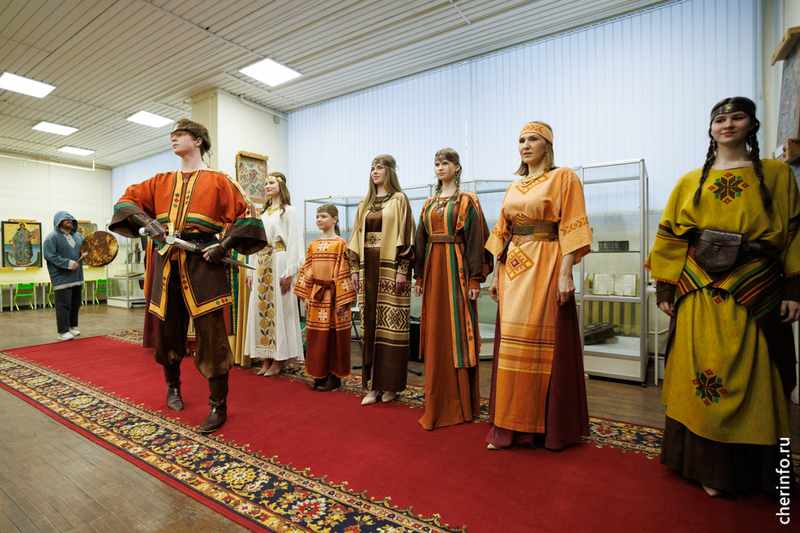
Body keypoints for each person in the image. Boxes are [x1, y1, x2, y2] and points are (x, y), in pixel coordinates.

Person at [645, 97, 799, 497]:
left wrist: (794, 288)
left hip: (756, 288)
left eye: (737, 117)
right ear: (711, 129)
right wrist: (665, 288)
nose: (727, 124)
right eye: (719, 119)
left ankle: (755, 473)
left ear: (752, 125)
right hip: (697, 290)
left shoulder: (779, 175)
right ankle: (701, 466)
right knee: (697, 374)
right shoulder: (689, 181)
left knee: (755, 374)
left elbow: (794, 233)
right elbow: (671, 237)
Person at [109, 118, 267, 434]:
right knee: (168, 331)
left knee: (213, 336)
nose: (173, 139)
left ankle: (218, 406)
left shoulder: (220, 180)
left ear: (198, 141)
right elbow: (125, 201)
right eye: (172, 135)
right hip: (167, 264)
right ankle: (173, 386)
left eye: (180, 134)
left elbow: (249, 214)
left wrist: (223, 247)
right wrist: (148, 223)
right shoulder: (159, 181)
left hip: (205, 262)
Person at [484, 122, 594, 450]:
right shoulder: (513, 186)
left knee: (538, 340)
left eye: (533, 139)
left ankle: (539, 426)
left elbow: (572, 226)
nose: (526, 145)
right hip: (513, 268)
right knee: (511, 343)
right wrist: (495, 275)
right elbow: (503, 232)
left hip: (546, 262)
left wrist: (566, 273)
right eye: (521, 140)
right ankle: (509, 423)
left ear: (547, 145)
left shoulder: (564, 177)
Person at [413, 148, 493, 429]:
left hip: (458, 272)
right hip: (433, 272)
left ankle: (463, 403)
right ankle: (438, 399)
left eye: (445, 163)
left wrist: (475, 279)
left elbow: (476, 239)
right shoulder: (428, 204)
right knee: (436, 332)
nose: (440, 167)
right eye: (437, 163)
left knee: (459, 333)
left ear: (457, 167)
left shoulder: (468, 200)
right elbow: (420, 240)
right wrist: (419, 278)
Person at [347, 154, 415, 405]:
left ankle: (390, 385)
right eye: (372, 168)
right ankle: (373, 386)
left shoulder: (399, 200)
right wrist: (354, 269)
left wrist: (402, 269)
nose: (375, 171)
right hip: (368, 269)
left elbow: (407, 233)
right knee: (370, 324)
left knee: (391, 326)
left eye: (379, 168)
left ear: (390, 171)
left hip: (390, 268)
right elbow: (355, 236)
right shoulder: (364, 202)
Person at [244, 172, 305, 376]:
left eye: (271, 182)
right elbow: (255, 242)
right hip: (261, 262)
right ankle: (265, 359)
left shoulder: (289, 211)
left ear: (281, 186)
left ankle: (279, 359)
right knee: (260, 310)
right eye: (265, 183)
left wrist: (290, 272)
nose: (267, 186)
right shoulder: (262, 213)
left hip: (279, 262)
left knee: (280, 310)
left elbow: (294, 242)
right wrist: (250, 271)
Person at [295, 204, 356, 391]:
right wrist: (306, 296)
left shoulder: (341, 244)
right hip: (317, 295)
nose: (319, 220)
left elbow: (345, 273)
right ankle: (319, 373)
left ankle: (333, 376)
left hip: (334, 297)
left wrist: (342, 300)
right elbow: (307, 270)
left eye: (323, 216)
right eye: (317, 217)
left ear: (335, 219)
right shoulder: (313, 245)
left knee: (333, 337)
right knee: (317, 337)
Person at [43, 212, 85, 341]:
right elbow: (50, 255)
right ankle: (62, 331)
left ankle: (71, 327)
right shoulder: (52, 238)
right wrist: (68, 263)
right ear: (58, 221)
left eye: (71, 219)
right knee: (63, 305)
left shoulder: (78, 236)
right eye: (66, 219)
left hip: (77, 276)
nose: (69, 220)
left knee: (75, 304)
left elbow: (85, 250)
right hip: (61, 278)